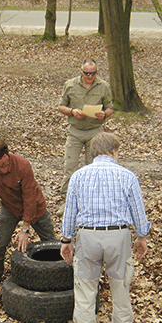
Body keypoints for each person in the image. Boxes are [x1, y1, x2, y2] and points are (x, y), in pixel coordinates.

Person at [60, 132, 151, 323]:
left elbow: (70, 212)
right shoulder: (127, 176)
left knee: (85, 291)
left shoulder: (78, 176)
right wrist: (141, 237)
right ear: (113, 152)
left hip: (88, 238)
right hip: (118, 238)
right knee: (120, 289)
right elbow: (138, 212)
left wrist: (66, 240)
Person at [0, 138, 57, 285]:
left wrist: (25, 229)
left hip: (35, 207)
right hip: (10, 208)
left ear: (4, 157)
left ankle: (56, 275)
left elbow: (29, 197)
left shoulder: (22, 166)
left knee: (51, 243)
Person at [57, 59, 114, 210]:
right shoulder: (70, 85)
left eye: (93, 73)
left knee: (93, 168)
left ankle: (91, 200)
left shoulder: (104, 86)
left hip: (95, 132)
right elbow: (61, 106)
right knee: (70, 166)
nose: (90, 76)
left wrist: (104, 114)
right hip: (75, 131)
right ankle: (67, 201)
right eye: (87, 73)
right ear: (81, 71)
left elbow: (110, 108)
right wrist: (72, 111)